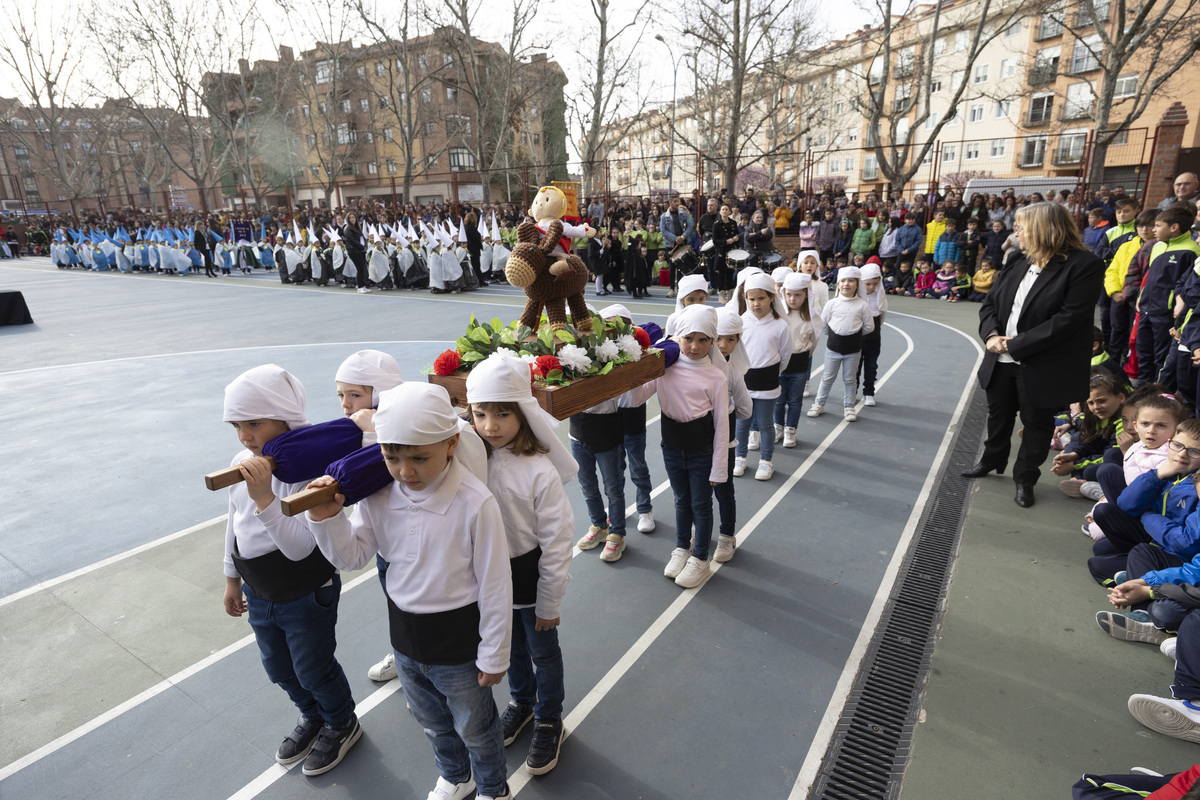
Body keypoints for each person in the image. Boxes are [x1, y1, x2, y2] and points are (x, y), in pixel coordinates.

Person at [304, 383, 513, 800]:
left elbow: (495, 583)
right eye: (391, 456)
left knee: (476, 726)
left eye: (420, 457)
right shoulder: (380, 496)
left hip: (459, 641)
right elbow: (354, 556)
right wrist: (327, 519)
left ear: (451, 443)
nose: (405, 471)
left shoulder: (475, 503)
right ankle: (456, 775)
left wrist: (495, 652)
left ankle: (493, 787)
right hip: (404, 636)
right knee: (430, 719)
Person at [220, 365, 361, 778]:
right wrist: (231, 577)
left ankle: (341, 722)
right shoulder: (242, 460)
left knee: (313, 666)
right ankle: (312, 715)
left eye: (254, 423)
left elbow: (300, 549)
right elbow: (234, 521)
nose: (245, 436)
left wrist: (265, 497)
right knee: (278, 668)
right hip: (260, 589)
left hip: (304, 590)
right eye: (236, 425)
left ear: (286, 418)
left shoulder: (310, 469)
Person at [466, 353, 575, 776]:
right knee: (508, 647)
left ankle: (549, 717)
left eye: (502, 413)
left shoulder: (538, 470)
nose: (490, 425)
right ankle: (522, 702)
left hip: (530, 574)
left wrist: (549, 601)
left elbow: (557, 538)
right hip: (489, 577)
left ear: (523, 414)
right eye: (480, 414)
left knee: (543, 650)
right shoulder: (472, 459)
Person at [966, 201, 1107, 508]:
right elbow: (990, 304)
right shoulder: (1018, 259)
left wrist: (1014, 345)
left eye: (1022, 226)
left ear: (1044, 229)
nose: (1016, 232)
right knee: (998, 415)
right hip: (1000, 359)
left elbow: (1068, 320)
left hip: (1042, 363)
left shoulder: (1084, 265)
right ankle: (991, 460)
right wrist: (991, 336)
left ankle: (1025, 478)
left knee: (1036, 424)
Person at [657, 304, 730, 587]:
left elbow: (722, 425)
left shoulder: (716, 377)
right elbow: (639, 394)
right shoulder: (665, 368)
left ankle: (700, 558)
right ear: (678, 337)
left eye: (703, 340)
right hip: (672, 446)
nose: (695, 346)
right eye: (688, 338)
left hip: (701, 450)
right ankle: (681, 547)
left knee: (701, 505)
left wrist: (719, 468)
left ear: (712, 341)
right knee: (680, 500)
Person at [733, 273, 792, 481]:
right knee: (742, 423)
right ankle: (740, 457)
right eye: (751, 298)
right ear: (745, 299)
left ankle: (766, 461)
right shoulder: (740, 322)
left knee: (765, 424)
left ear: (771, 298)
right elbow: (735, 352)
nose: (756, 303)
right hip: (745, 382)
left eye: (761, 298)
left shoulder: (780, 326)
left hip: (768, 382)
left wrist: (772, 373)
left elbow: (785, 356)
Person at [1138, 203, 1200, 386]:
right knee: (1144, 352)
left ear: (1174, 227)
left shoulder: (1191, 250)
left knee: (1161, 357)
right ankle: (1142, 390)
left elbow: (1186, 285)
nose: (1153, 229)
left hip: (1166, 314)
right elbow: (1149, 278)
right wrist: (1141, 298)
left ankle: (1157, 394)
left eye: (1157, 225)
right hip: (1146, 309)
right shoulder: (1157, 246)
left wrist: (1175, 307)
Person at [713, 308, 753, 563]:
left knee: (723, 489)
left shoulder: (732, 371)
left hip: (723, 439)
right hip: (703, 437)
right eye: (717, 337)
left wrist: (726, 417)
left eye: (730, 339)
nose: (723, 345)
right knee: (701, 489)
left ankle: (727, 536)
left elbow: (745, 408)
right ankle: (698, 530)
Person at [808, 266, 874, 422]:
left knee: (850, 379)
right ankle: (819, 403)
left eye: (851, 280)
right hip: (833, 349)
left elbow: (869, 326)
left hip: (853, 350)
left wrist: (853, 335)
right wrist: (835, 336)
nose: (847, 284)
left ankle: (849, 406)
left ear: (857, 284)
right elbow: (823, 324)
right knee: (827, 377)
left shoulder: (862, 305)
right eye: (843, 280)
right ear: (837, 284)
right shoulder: (832, 304)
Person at [775, 271, 820, 446]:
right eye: (789, 295)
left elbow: (814, 342)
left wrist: (804, 355)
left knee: (795, 400)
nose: (792, 299)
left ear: (806, 295)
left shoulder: (811, 317)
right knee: (779, 400)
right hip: (780, 364)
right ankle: (778, 426)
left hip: (800, 364)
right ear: (783, 294)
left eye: (798, 295)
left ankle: (790, 430)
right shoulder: (779, 315)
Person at [855, 261, 888, 406]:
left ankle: (868, 392)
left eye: (875, 283)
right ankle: (852, 391)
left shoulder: (879, 296)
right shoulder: (856, 298)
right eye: (867, 284)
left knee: (871, 365)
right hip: (857, 336)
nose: (871, 287)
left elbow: (881, 316)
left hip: (874, 336)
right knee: (855, 366)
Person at [341, 212, 371, 294]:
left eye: (353, 217)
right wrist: (362, 247)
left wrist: (365, 246)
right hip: (353, 251)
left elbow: (363, 238)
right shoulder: (347, 229)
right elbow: (352, 241)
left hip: (360, 251)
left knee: (362, 269)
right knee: (360, 269)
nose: (352, 219)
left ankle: (362, 285)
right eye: (350, 218)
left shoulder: (357, 228)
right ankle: (360, 287)